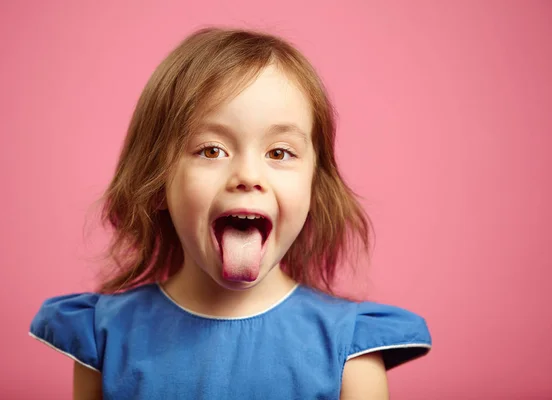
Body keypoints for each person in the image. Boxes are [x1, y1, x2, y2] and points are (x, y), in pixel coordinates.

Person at [29, 26, 431, 399]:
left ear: (313, 186)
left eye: (279, 152)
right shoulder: (104, 338)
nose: (247, 176)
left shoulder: (351, 352)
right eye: (211, 150)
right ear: (156, 182)